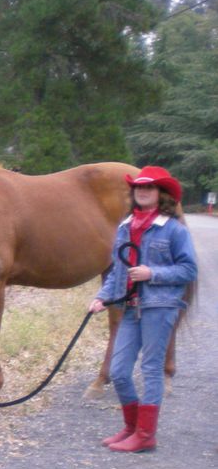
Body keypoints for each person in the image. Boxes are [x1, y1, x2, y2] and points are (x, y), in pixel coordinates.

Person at [88, 165, 197, 453]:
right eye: (139, 187)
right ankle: (132, 426)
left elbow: (188, 269)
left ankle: (146, 434)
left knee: (150, 369)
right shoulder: (125, 227)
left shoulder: (174, 230)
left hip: (159, 307)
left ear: (161, 194)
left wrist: (153, 274)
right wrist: (103, 297)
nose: (143, 191)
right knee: (120, 371)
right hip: (130, 308)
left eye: (149, 187)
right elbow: (116, 271)